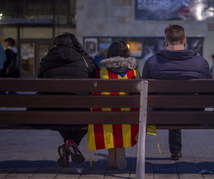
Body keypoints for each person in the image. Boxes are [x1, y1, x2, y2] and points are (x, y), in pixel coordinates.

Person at [142, 24, 211, 161]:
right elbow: (208, 90)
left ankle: (176, 151)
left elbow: (145, 92)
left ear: (166, 42)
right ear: (185, 41)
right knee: (178, 103)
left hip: (161, 115)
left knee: (171, 104)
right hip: (195, 116)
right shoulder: (201, 62)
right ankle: (176, 151)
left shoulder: (152, 62)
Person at [38, 32, 97, 167]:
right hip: (80, 110)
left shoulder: (46, 59)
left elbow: (40, 81)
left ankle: (69, 143)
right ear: (75, 44)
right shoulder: (84, 60)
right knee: (91, 114)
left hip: (51, 112)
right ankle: (72, 143)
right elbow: (94, 80)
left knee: (59, 110)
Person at [88, 40, 139, 170]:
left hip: (106, 117)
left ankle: (112, 152)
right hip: (128, 117)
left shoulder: (102, 71)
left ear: (109, 54)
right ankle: (120, 151)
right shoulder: (133, 72)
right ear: (126, 54)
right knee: (124, 115)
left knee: (107, 113)